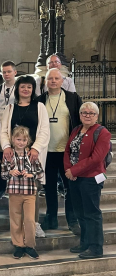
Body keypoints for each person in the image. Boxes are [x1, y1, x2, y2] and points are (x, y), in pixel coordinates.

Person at [0, 75, 50, 238]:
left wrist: (35, 148)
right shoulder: (10, 108)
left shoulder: (40, 107)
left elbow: (44, 131)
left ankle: (34, 224)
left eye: (29, 87)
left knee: (32, 192)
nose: (26, 89)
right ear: (17, 89)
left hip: (32, 157)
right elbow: (4, 131)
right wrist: (6, 146)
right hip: (15, 157)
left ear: (32, 89)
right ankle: (18, 228)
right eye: (23, 86)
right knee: (16, 194)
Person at [36, 68, 82, 235]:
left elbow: (80, 122)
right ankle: (51, 218)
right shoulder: (40, 100)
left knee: (69, 186)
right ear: (46, 81)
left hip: (66, 151)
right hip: (47, 151)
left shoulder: (72, 98)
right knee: (48, 186)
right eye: (50, 79)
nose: (53, 81)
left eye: (56, 78)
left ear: (63, 81)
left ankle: (72, 219)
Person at [64, 102, 111, 259]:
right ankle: (84, 242)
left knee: (92, 213)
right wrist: (68, 170)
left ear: (97, 116)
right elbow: (68, 151)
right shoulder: (76, 130)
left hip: (91, 178)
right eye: (84, 112)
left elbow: (96, 158)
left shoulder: (102, 133)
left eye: (91, 113)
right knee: (80, 212)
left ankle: (95, 247)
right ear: (80, 115)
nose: (87, 115)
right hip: (74, 178)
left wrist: (74, 170)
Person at [1, 126, 44, 259]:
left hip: (29, 192)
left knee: (30, 220)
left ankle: (30, 245)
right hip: (14, 192)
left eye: (24, 140)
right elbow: (3, 174)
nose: (21, 142)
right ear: (13, 140)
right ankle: (19, 245)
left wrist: (31, 174)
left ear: (28, 141)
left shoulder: (32, 155)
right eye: (18, 139)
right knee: (15, 219)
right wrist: (10, 172)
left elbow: (40, 172)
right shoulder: (9, 155)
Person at [0, 60, 17, 201]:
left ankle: (14, 188)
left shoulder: (20, 88)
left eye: (9, 71)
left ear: (15, 72)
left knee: (15, 160)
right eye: (4, 72)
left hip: (15, 130)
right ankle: (0, 188)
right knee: (0, 161)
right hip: (1, 129)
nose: (6, 74)